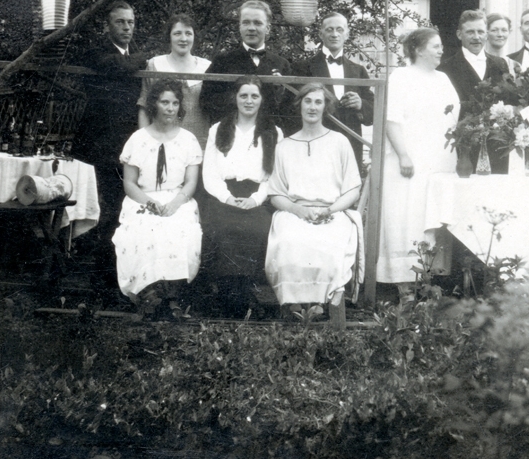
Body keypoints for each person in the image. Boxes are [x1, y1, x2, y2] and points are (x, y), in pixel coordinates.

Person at [265, 83, 363, 312]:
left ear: (326, 107)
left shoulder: (339, 142)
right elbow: (276, 193)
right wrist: (298, 210)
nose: (312, 107)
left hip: (332, 211)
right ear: (299, 105)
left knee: (328, 245)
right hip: (295, 212)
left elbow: (352, 189)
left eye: (318, 102)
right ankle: (294, 304)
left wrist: (330, 210)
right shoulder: (285, 146)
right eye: (308, 101)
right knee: (289, 242)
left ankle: (322, 302)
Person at [72, 0, 146, 301]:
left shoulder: (133, 56)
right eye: (120, 22)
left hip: (124, 147)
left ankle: (114, 282)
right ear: (108, 25)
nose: (126, 28)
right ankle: (98, 285)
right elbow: (117, 66)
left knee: (120, 215)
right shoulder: (98, 52)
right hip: (99, 147)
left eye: (130, 22)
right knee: (103, 213)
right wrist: (147, 59)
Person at [111, 80, 203, 314]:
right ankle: (148, 294)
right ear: (154, 105)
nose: (170, 108)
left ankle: (172, 295)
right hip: (142, 198)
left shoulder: (188, 140)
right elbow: (129, 183)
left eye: (175, 103)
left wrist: (175, 203)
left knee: (178, 227)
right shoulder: (138, 139)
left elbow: (191, 181)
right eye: (164, 102)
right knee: (143, 229)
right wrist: (150, 203)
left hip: (177, 198)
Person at [378, 28, 460, 287]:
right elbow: (391, 119)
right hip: (409, 160)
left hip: (440, 161)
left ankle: (430, 285)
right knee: (408, 218)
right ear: (418, 50)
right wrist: (403, 155)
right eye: (436, 46)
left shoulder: (443, 78)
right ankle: (405, 286)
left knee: (434, 218)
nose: (441, 51)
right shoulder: (401, 77)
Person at [199, 75, 282, 315]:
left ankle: (241, 295)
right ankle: (230, 296)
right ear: (234, 98)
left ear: (261, 99)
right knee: (222, 227)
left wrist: (255, 199)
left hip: (258, 197)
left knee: (256, 229)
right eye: (243, 95)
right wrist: (226, 197)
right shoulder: (219, 129)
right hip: (222, 195)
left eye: (254, 96)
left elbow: (274, 176)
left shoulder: (273, 132)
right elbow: (210, 173)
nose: (249, 101)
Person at [296, 10, 373, 170]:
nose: (334, 34)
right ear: (321, 34)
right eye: (329, 29)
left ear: (347, 34)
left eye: (340, 29)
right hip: (314, 145)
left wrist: (361, 104)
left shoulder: (359, 71)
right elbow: (291, 110)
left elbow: (372, 115)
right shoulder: (302, 68)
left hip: (350, 146)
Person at [199, 0, 292, 130]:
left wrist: (279, 92)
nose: (251, 28)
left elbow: (289, 109)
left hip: (269, 135)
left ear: (268, 28)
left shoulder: (281, 64)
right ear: (240, 26)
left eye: (258, 23)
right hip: (232, 134)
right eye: (246, 22)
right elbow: (206, 100)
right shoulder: (222, 61)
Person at [438, 10, 512, 173]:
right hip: (464, 148)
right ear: (459, 34)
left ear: (486, 34)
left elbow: (507, 103)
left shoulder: (500, 65)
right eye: (470, 32)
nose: (476, 37)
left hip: (496, 146)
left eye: (480, 32)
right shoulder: (445, 68)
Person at [138, 13, 212, 148]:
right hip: (161, 141)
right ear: (169, 37)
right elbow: (144, 106)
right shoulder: (155, 65)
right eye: (177, 33)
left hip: (198, 142)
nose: (183, 39)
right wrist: (144, 141)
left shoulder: (207, 67)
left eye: (188, 33)